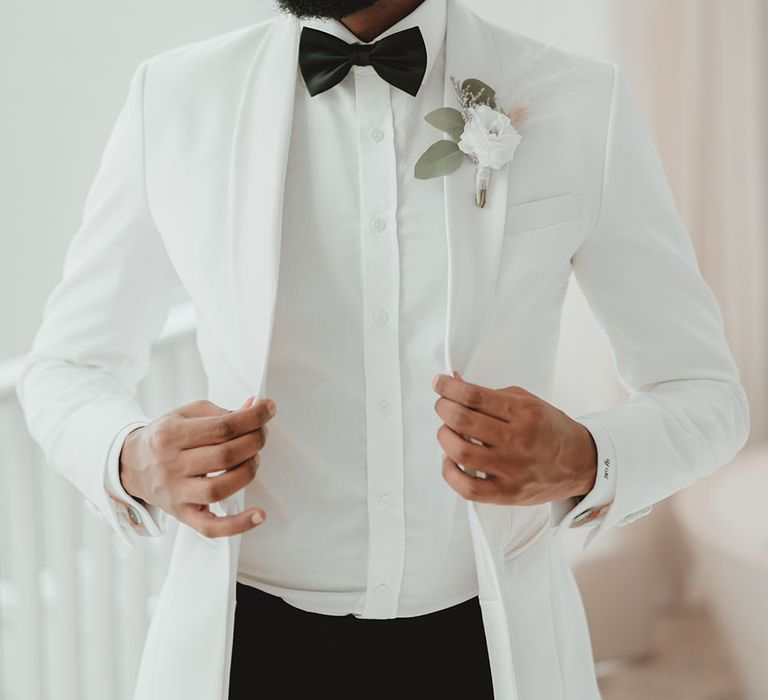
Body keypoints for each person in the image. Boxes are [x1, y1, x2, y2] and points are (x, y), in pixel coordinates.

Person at [16, 0, 750, 698]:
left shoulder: (581, 101)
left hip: (491, 651)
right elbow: (66, 366)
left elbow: (708, 396)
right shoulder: (174, 99)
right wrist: (131, 457)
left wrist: (588, 455)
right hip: (244, 652)